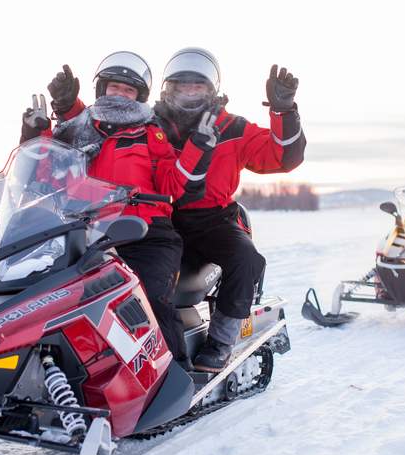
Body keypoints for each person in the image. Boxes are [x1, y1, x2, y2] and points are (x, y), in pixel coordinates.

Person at [20, 51, 192, 369]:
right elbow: (41, 175)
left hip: (146, 234)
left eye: (129, 91)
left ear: (140, 97)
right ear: (102, 90)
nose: (121, 95)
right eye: (115, 88)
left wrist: (195, 151)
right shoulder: (78, 130)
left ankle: (176, 373)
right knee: (44, 298)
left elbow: (171, 185)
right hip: (85, 234)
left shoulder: (149, 132)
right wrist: (35, 134)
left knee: (148, 298)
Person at [150, 48, 306, 372]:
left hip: (213, 220)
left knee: (245, 258)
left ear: (212, 90)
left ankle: (221, 342)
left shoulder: (232, 128)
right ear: (168, 88)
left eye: (198, 86)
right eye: (182, 86)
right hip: (161, 216)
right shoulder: (152, 126)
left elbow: (284, 157)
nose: (189, 93)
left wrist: (284, 111)